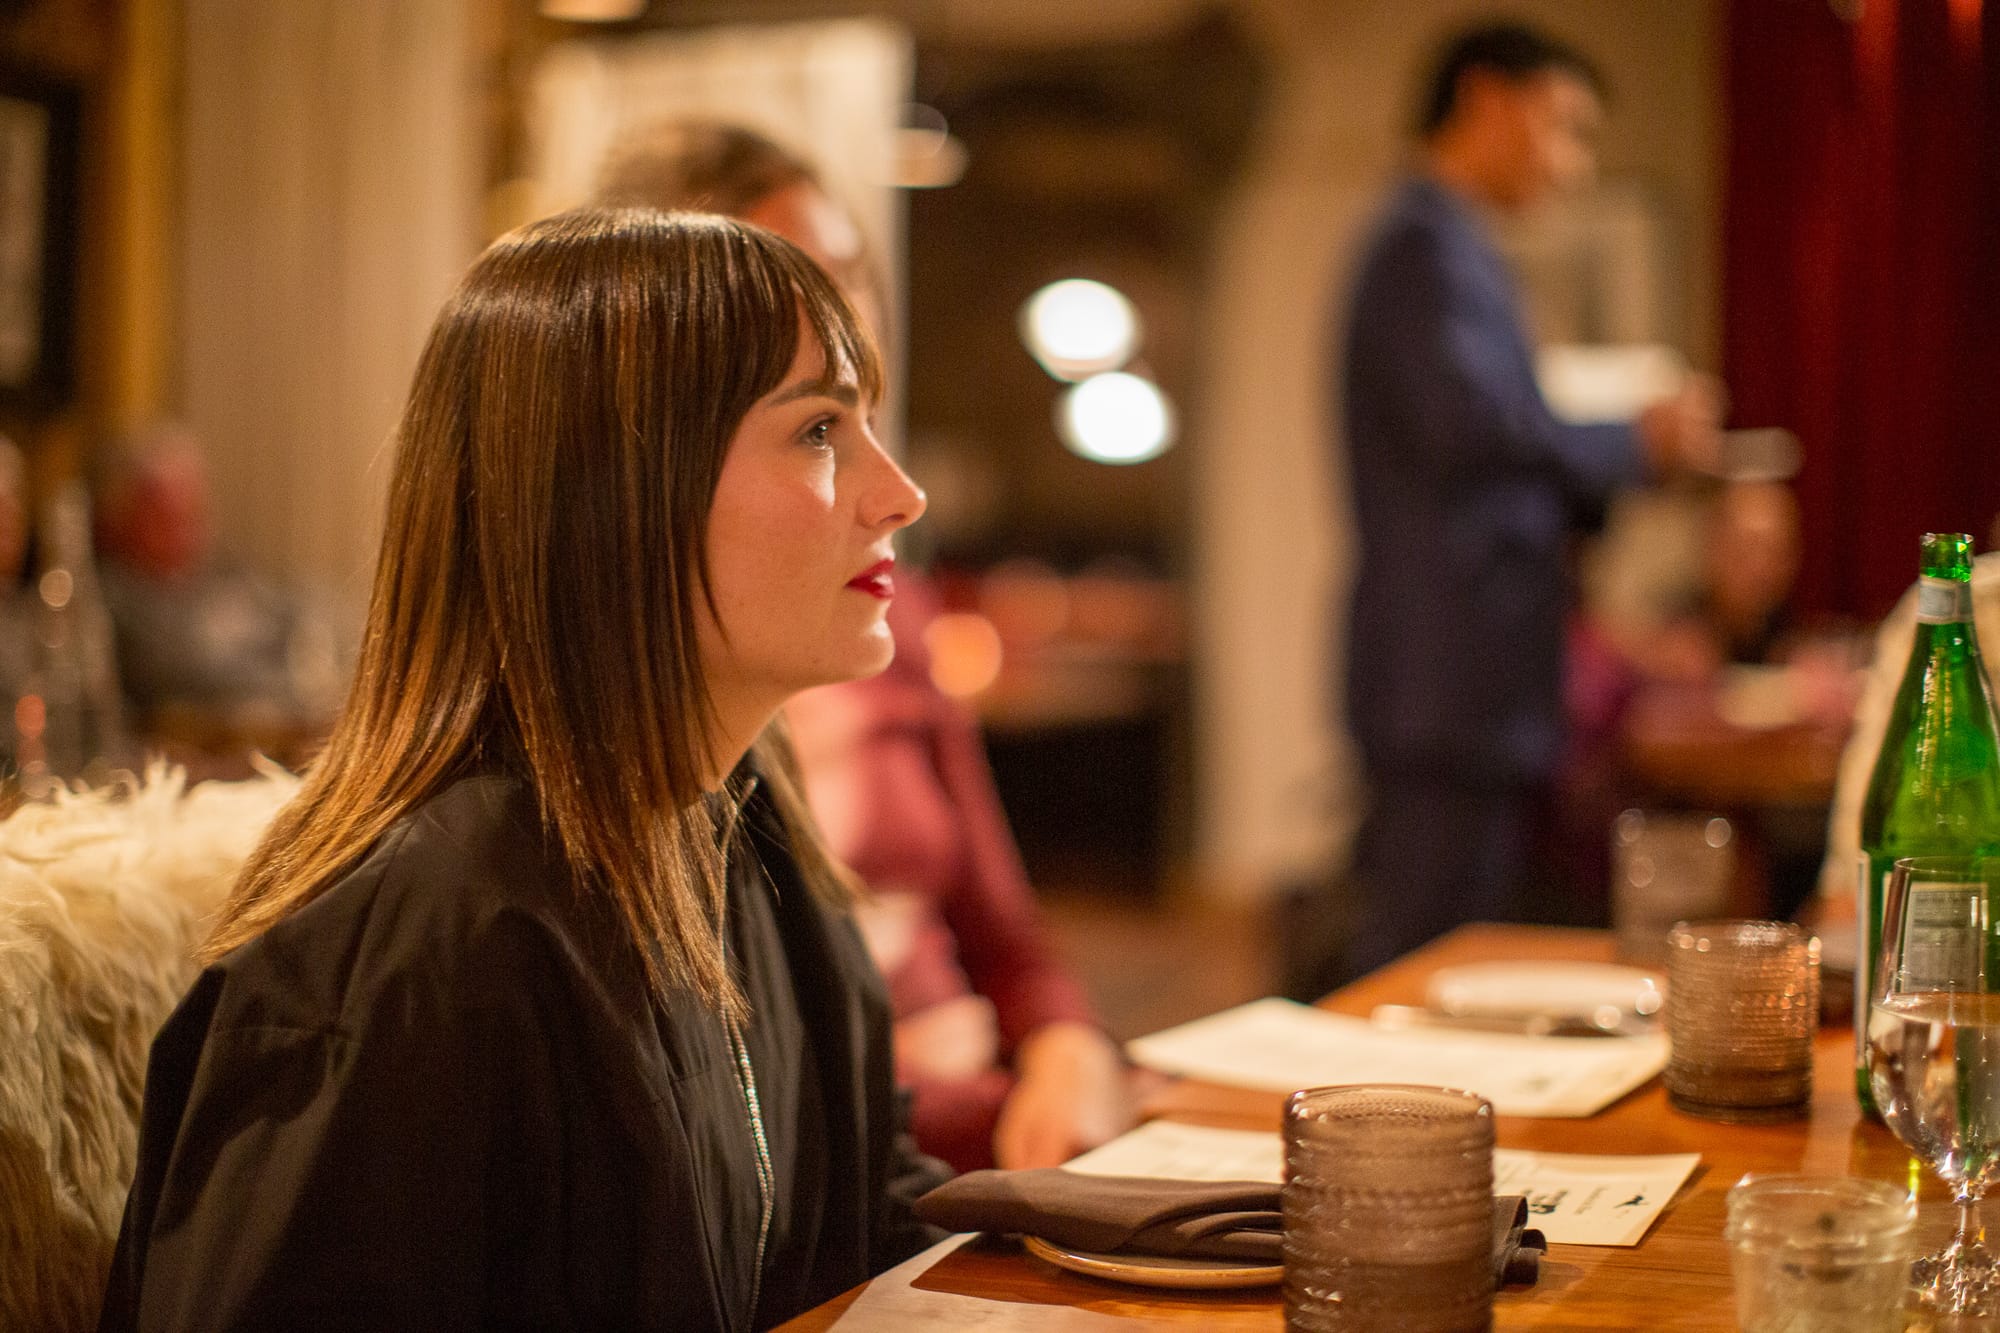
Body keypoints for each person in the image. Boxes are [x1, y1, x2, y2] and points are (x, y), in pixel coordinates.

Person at [97, 209, 949, 1330]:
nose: (898, 491)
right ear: (616, 488)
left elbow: (863, 1222)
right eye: (819, 430)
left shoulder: (752, 835)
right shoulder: (421, 945)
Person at [597, 121, 1132, 1172]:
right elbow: (716, 1117)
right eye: (789, 278)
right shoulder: (657, 718)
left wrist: (1069, 1055)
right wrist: (922, 1095)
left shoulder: (886, 607)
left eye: (848, 276)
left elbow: (1008, 939)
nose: (842, 317)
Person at [1330, 22, 1721, 983]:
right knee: (1421, 946)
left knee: (1451, 940)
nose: (1572, 165)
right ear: (1488, 100)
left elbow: (1499, 429)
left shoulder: (1445, 244)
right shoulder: (1423, 245)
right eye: (1564, 127)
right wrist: (1637, 439)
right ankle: (1367, 1128)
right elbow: (1475, 429)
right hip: (1445, 659)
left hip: (1463, 660)